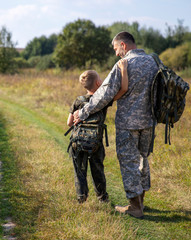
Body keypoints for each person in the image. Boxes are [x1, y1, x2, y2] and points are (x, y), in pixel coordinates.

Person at [73, 31, 159, 218]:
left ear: (123, 45)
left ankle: (135, 207)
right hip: (149, 123)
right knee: (143, 160)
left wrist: (83, 112)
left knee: (129, 163)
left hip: (128, 123)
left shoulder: (124, 64)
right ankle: (141, 202)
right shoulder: (153, 62)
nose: (116, 53)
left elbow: (104, 94)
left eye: (116, 49)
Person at [67, 60, 128, 203]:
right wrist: (124, 70)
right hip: (95, 142)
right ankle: (102, 198)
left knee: (80, 170)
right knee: (97, 170)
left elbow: (69, 123)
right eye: (100, 79)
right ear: (97, 83)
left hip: (78, 141)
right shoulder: (103, 100)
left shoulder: (78, 100)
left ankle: (81, 197)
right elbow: (123, 89)